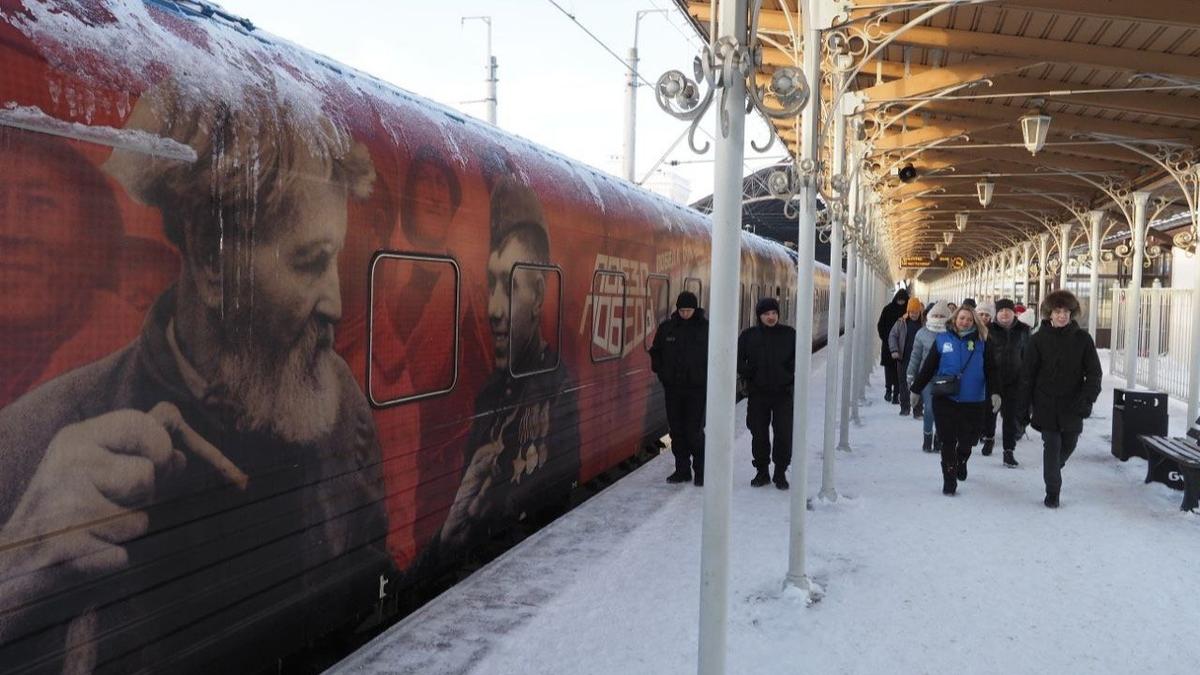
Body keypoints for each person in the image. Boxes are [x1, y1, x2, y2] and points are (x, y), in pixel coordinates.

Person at [0, 84, 392, 672]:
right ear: (214, 261)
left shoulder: (338, 399)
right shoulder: (29, 441)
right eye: (311, 262)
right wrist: (15, 582)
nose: (335, 303)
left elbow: (368, 568)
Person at [438, 176, 581, 547]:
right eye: (491, 285)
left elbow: (562, 478)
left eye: (510, 286)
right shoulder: (489, 394)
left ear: (538, 296)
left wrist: (502, 506)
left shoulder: (559, 386)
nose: (493, 309)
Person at [1015, 290, 1102, 508]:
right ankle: (1052, 491)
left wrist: (1087, 398)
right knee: (1051, 446)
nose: (1061, 315)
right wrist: (1023, 407)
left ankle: (1054, 467)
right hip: (1045, 403)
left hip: (1073, 403)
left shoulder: (1083, 339)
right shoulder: (1037, 340)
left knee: (1069, 444)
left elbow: (1094, 373)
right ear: (1049, 314)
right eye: (1057, 311)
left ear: (1071, 314)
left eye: (1065, 311)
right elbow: (1027, 376)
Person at [911, 306, 1000, 495]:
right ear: (954, 319)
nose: (965, 322)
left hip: (973, 400)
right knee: (947, 441)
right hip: (945, 399)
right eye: (962, 318)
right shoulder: (942, 340)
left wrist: (995, 393)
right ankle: (949, 479)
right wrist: (916, 389)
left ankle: (962, 459)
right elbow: (928, 367)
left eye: (969, 319)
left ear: (974, 322)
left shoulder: (983, 342)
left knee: (968, 440)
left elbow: (992, 370)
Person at [650, 290, 709, 486]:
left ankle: (701, 471)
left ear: (695, 309)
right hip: (673, 389)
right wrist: (661, 372)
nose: (685, 313)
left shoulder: (706, 328)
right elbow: (655, 352)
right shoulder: (667, 329)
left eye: (689, 310)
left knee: (694, 431)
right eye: (682, 310)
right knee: (677, 430)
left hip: (697, 390)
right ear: (678, 309)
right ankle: (682, 470)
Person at [737, 297, 796, 489]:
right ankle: (762, 472)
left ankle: (780, 472)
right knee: (759, 434)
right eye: (766, 314)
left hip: (783, 394)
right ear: (759, 316)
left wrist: (788, 374)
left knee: (783, 433)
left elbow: (799, 358)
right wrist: (749, 373)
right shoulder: (748, 336)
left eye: (774, 313)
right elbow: (737, 359)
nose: (771, 317)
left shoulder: (789, 335)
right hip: (758, 394)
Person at [983, 299, 1031, 467]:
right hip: (993, 378)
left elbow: (1028, 356)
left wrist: (1026, 378)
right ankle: (989, 438)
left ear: (1014, 313)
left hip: (1015, 381)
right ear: (996, 313)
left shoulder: (1024, 330)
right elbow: (986, 356)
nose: (1004, 313)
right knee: (990, 413)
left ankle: (1008, 452)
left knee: (1010, 418)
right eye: (1001, 310)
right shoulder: (988, 330)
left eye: (1008, 310)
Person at [908, 301, 953, 452]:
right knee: (929, 409)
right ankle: (927, 437)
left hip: (946, 379)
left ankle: (939, 438)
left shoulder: (952, 334)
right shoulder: (922, 333)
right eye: (936, 315)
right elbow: (915, 356)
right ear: (929, 316)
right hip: (927, 377)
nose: (939, 318)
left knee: (943, 411)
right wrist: (910, 374)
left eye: (942, 316)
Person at [888, 297, 925, 416]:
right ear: (908, 312)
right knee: (903, 384)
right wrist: (894, 350)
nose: (914, 314)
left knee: (919, 384)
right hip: (903, 358)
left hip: (919, 359)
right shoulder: (901, 323)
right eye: (912, 312)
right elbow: (892, 336)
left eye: (916, 312)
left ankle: (918, 410)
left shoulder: (924, 324)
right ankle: (904, 408)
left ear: (920, 312)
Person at [877, 288, 910, 404]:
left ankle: (896, 393)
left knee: (899, 372)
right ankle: (888, 390)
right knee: (889, 369)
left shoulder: (908, 311)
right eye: (899, 300)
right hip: (887, 345)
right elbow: (880, 325)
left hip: (902, 346)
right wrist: (886, 339)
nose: (901, 303)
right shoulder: (887, 309)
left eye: (903, 301)